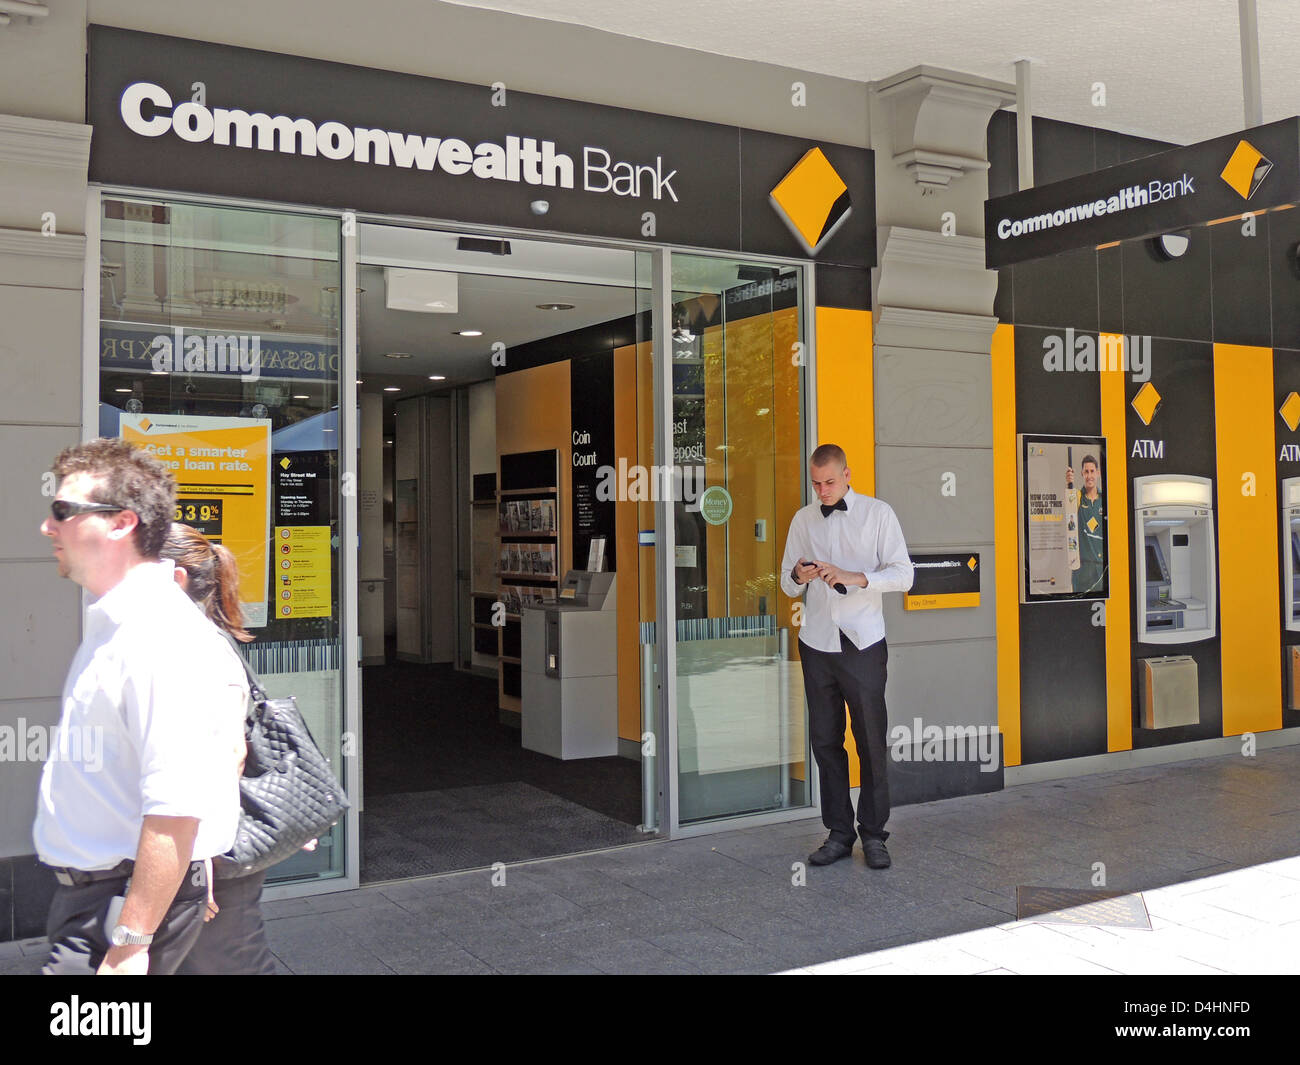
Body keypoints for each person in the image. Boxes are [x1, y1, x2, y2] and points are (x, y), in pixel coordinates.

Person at [34, 438, 248, 975]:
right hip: (97, 896)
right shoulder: (118, 624)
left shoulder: (158, 636)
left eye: (63, 511)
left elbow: (177, 806)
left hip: (118, 902)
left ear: (122, 523)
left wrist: (130, 942)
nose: (48, 526)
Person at [779, 443, 913, 870]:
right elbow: (786, 583)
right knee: (824, 741)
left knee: (871, 741)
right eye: (816, 484)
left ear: (847, 474)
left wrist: (857, 577)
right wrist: (800, 574)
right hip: (817, 643)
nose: (822, 490)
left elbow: (904, 575)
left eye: (830, 482)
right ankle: (838, 833)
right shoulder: (802, 519)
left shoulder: (879, 514)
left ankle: (874, 835)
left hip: (863, 643)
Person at [161, 522, 278, 976]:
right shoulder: (179, 645)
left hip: (214, 855)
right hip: (197, 850)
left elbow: (229, 755)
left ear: (176, 579)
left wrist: (202, 860)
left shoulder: (204, 650)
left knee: (229, 962)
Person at [1067, 455, 1106, 594]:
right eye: (1086, 472)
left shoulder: (1105, 499)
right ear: (1082, 474)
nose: (1089, 475)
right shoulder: (1077, 496)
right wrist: (1069, 483)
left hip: (1102, 569)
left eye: (1092, 471)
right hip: (1082, 570)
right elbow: (1069, 505)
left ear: (1098, 473)